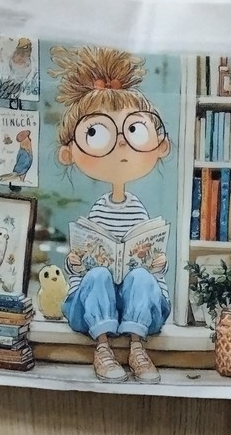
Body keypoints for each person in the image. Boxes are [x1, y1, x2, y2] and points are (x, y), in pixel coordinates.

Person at [50, 46, 172, 384]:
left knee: (143, 278)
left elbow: (149, 268)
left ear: (159, 145)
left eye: (133, 131)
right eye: (97, 133)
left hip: (132, 305)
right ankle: (102, 347)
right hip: (95, 305)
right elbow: (83, 269)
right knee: (99, 275)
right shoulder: (98, 211)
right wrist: (75, 264)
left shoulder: (138, 209)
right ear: (69, 152)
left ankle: (137, 347)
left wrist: (156, 265)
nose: (120, 145)